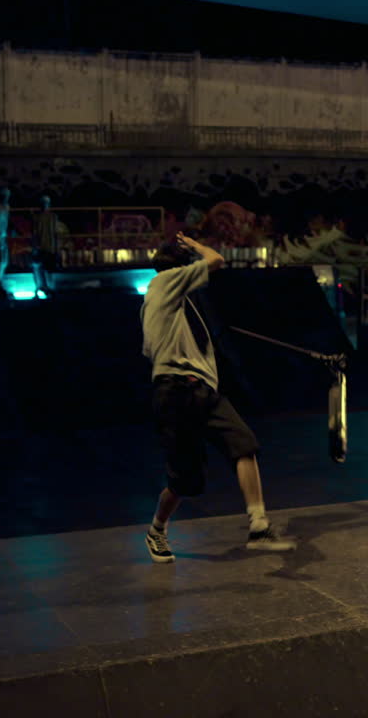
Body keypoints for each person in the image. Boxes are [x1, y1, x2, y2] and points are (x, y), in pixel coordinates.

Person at [140, 231, 296, 563]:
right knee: (185, 482)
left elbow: (151, 348)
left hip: (201, 392)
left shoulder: (171, 301)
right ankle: (156, 530)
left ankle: (258, 525)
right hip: (176, 391)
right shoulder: (164, 282)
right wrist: (198, 245)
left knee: (244, 444)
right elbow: (216, 260)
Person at [31, 195, 58, 295]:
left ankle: (41, 288)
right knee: (47, 269)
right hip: (47, 246)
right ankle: (47, 288)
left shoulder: (37, 217)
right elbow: (55, 233)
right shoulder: (52, 217)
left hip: (43, 247)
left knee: (40, 268)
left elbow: (34, 232)